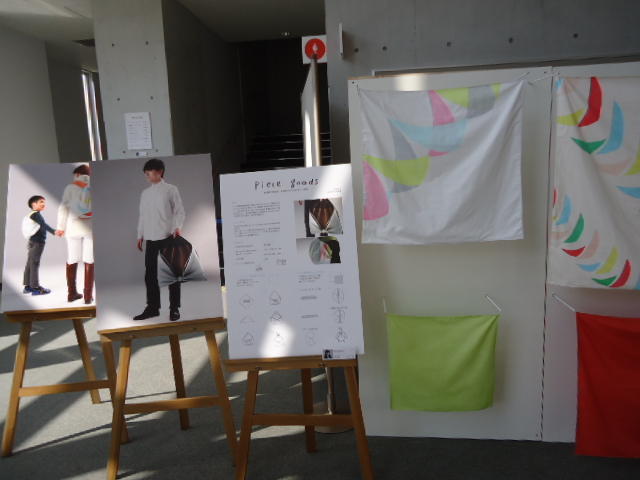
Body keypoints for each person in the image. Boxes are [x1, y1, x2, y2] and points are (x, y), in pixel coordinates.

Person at [134, 158, 185, 321]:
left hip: (168, 236)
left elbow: (179, 211)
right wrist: (140, 235)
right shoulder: (145, 193)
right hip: (150, 238)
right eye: (146, 174)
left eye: (149, 173)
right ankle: (152, 308)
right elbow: (142, 215)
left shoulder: (171, 189)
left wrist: (177, 227)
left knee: (172, 273)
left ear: (160, 172)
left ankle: (174, 308)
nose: (147, 176)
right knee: (150, 274)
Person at [57, 164, 94, 304]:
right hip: (89, 227)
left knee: (72, 259)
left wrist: (60, 227)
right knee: (89, 259)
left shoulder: (70, 187)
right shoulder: (93, 186)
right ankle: (88, 296)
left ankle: (71, 293)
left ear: (77, 174)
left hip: (72, 227)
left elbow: (63, 208)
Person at [23, 196, 62, 295]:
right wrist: (54, 231)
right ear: (34, 204)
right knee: (34, 264)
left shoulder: (31, 214)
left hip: (32, 241)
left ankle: (27, 286)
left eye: (44, 202)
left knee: (30, 263)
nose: (43, 204)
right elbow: (43, 225)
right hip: (38, 243)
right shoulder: (36, 214)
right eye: (41, 202)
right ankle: (35, 288)